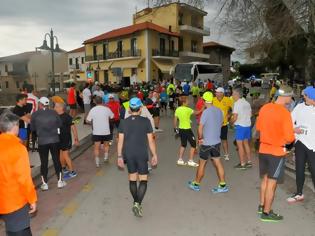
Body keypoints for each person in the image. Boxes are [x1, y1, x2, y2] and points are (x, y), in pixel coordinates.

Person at [256, 85, 295, 222]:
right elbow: (290, 138)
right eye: (290, 96)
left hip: (263, 149)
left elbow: (259, 128)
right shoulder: (285, 113)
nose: (291, 99)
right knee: (272, 183)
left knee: (265, 180)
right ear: (285, 97)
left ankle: (261, 206)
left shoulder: (265, 108)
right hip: (276, 152)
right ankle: (266, 213)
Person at [117, 97, 158, 217]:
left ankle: (136, 202)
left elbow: (120, 141)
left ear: (129, 109)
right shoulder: (146, 121)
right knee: (143, 180)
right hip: (141, 154)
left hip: (128, 154)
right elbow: (151, 141)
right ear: (140, 109)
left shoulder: (123, 122)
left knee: (132, 179)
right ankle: (137, 202)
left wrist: (119, 156)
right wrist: (154, 155)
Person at [0, 111, 37, 236]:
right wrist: (32, 199)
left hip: (2, 200)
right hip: (14, 201)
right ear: (15, 126)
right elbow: (24, 179)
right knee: (19, 230)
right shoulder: (18, 148)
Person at [188, 92, 229, 193]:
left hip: (206, 143)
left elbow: (200, 127)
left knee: (202, 164)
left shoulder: (206, 112)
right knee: (218, 163)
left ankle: (196, 184)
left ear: (204, 101)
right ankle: (223, 185)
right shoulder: (219, 111)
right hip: (216, 142)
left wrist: (200, 138)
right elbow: (220, 124)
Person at [31, 97, 66, 190]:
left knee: (44, 162)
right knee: (56, 160)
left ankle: (45, 184)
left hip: (42, 141)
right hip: (54, 140)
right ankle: (60, 181)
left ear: (40, 104)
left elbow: (33, 129)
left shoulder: (34, 114)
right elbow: (60, 124)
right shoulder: (54, 112)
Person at [287, 86, 315, 203]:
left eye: (305, 95)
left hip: (313, 145)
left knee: (314, 170)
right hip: (300, 142)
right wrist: (294, 129)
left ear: (310, 97)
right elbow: (289, 121)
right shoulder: (299, 107)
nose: (303, 97)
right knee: (299, 169)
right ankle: (299, 193)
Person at [86, 96, 114, 167]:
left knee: (96, 147)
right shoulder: (107, 109)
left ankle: (97, 163)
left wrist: (93, 122)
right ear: (102, 101)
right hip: (106, 131)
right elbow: (112, 116)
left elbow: (87, 120)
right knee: (106, 145)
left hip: (96, 132)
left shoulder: (93, 110)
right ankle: (106, 158)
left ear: (95, 102)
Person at [54, 103, 79, 180]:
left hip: (66, 139)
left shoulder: (67, 117)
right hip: (58, 139)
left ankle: (72, 172)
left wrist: (76, 139)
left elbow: (73, 128)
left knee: (65, 155)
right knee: (60, 154)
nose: (54, 107)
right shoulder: (55, 116)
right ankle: (64, 168)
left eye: (56, 106)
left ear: (61, 108)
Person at [230, 87, 252, 169]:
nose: (232, 95)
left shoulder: (237, 103)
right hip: (247, 126)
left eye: (233, 93)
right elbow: (250, 115)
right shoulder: (247, 103)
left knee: (240, 146)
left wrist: (231, 122)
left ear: (237, 94)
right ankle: (249, 162)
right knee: (246, 144)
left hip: (240, 126)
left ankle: (242, 164)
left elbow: (235, 117)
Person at [174, 96, 199, 167]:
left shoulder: (178, 109)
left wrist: (175, 129)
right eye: (187, 101)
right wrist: (203, 108)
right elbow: (197, 113)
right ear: (184, 102)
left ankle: (180, 160)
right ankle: (190, 161)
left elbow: (175, 120)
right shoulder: (188, 109)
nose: (189, 102)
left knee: (183, 144)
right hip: (187, 129)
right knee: (193, 144)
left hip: (181, 129)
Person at [213, 87, 233, 161]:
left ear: (222, 93)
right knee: (215, 140)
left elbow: (233, 108)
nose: (216, 93)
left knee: (224, 140)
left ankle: (226, 154)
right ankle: (216, 154)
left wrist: (229, 115)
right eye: (216, 92)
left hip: (223, 124)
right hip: (215, 124)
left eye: (218, 92)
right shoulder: (213, 100)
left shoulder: (227, 100)